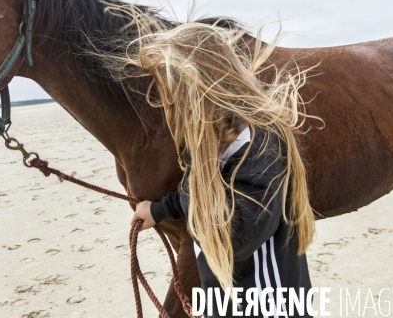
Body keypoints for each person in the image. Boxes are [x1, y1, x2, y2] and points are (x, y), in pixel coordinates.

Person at [121, 17, 317, 317]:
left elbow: (231, 237)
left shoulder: (258, 146)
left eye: (171, 92)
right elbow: (203, 193)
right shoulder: (215, 142)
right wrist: (159, 210)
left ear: (200, 89)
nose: (167, 104)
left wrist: (196, 174)